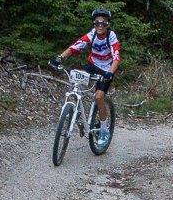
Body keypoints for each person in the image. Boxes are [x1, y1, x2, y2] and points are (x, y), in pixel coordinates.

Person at [49, 7, 120, 143]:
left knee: (98, 97)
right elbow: (76, 46)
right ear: (94, 24)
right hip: (93, 65)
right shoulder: (92, 34)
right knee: (77, 79)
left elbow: (116, 58)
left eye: (103, 23)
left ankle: (104, 129)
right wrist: (59, 58)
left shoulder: (111, 36)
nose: (100, 25)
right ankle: (75, 109)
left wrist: (110, 73)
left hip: (106, 69)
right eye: (97, 22)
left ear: (108, 24)